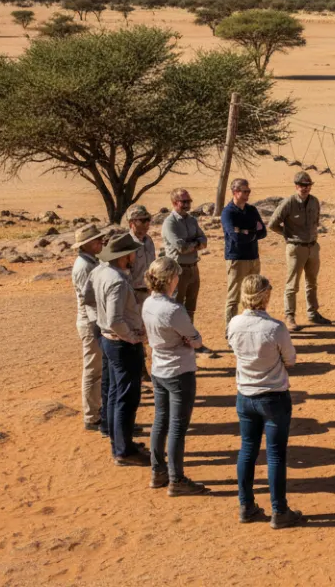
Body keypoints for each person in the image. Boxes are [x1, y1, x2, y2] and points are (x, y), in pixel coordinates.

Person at [227, 274, 303, 528]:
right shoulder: (275, 328)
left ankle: (246, 506)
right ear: (265, 296)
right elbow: (290, 360)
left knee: (247, 450)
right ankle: (279, 511)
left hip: (245, 396)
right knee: (275, 455)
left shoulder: (234, 323)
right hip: (273, 397)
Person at [141, 257, 209, 496]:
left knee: (160, 421)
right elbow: (196, 339)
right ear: (170, 278)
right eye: (177, 275)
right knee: (178, 428)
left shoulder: (148, 303)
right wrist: (190, 340)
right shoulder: (174, 309)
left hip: (159, 368)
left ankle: (157, 471)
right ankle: (176, 479)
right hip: (179, 371)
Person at [92, 232, 147, 466]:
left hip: (108, 340)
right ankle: (123, 451)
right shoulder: (117, 280)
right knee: (126, 397)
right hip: (121, 343)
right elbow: (115, 319)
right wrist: (131, 337)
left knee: (115, 395)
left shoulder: (99, 272)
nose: (135, 255)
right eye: (133, 252)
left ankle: (120, 443)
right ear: (125, 256)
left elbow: (88, 298)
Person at [268, 171, 327, 331]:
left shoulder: (314, 201)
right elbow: (273, 223)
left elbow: (316, 221)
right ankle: (290, 316)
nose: (305, 188)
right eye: (302, 185)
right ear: (296, 186)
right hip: (295, 248)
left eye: (308, 185)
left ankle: (313, 313)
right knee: (292, 285)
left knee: (312, 282)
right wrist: (287, 234)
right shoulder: (288, 203)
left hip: (312, 247)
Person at [161, 188, 211, 354]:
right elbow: (181, 247)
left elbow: (204, 241)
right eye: (184, 202)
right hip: (177, 271)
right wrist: (195, 243)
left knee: (190, 307)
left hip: (193, 268)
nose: (188, 204)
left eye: (189, 201)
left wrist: (193, 243)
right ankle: (176, 343)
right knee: (176, 308)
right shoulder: (170, 223)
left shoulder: (191, 220)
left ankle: (191, 341)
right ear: (174, 203)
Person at [71, 224, 107, 434]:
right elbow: (89, 300)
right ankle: (91, 415)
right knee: (92, 370)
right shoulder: (83, 266)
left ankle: (97, 410)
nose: (100, 242)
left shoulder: (91, 261)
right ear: (86, 245)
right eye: (97, 240)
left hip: (95, 321)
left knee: (98, 369)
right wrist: (99, 326)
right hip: (91, 323)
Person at [221, 178, 268, 327]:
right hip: (236, 259)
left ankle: (251, 327)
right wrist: (252, 232)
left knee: (254, 295)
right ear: (235, 192)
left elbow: (263, 232)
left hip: (254, 258)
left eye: (249, 191)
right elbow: (234, 237)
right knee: (234, 297)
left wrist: (246, 232)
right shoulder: (228, 212)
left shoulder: (252, 210)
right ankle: (230, 330)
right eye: (245, 191)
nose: (248, 194)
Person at [126, 205, 156, 306]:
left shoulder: (149, 240)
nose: (146, 224)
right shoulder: (127, 244)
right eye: (142, 221)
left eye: (148, 220)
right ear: (131, 223)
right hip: (134, 294)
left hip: (150, 292)